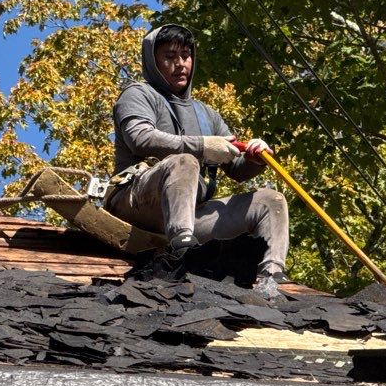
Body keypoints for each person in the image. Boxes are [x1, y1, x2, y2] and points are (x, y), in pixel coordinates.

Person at [108, 23, 289, 296]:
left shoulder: (207, 116)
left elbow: (237, 169)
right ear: (153, 62)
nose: (180, 64)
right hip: (136, 202)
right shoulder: (138, 95)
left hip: (189, 216)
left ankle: (271, 281)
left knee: (269, 200)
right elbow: (140, 138)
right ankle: (184, 251)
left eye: (186, 55)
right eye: (170, 57)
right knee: (185, 161)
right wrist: (202, 146)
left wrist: (256, 157)